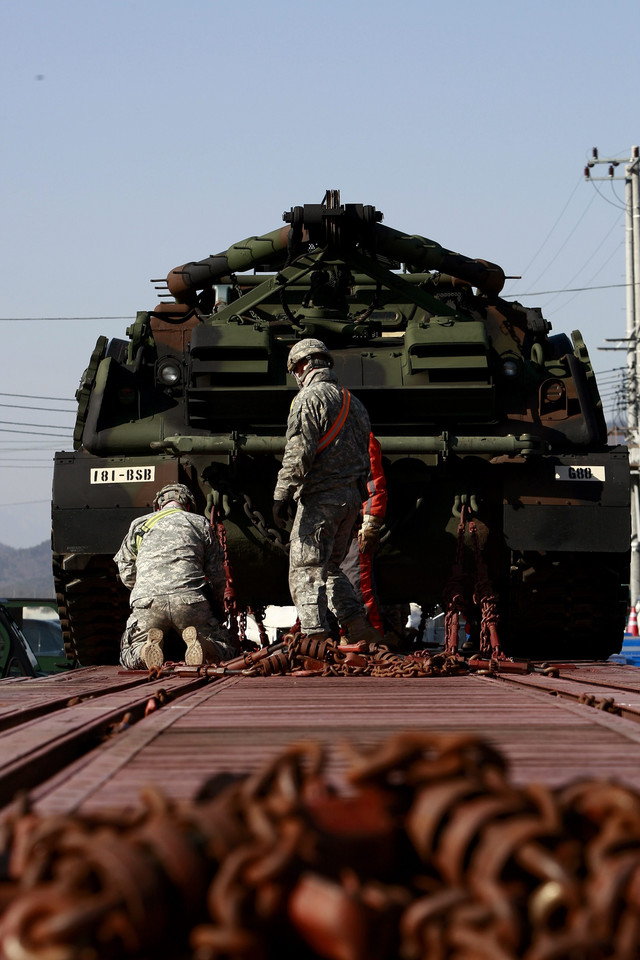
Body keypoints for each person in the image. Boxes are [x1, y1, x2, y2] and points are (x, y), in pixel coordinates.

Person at [272, 338, 381, 645]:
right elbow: (366, 456)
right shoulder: (354, 402)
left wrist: (282, 493)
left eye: (295, 369)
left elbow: (299, 450)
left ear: (303, 366)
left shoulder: (309, 398)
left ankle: (315, 638)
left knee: (305, 569)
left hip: (321, 498)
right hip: (350, 500)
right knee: (328, 567)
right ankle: (357, 626)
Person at [115, 483, 236, 669]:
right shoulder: (200, 523)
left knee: (128, 652)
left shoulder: (138, 525)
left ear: (158, 506)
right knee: (224, 647)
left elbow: (126, 572)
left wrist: (146, 587)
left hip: (148, 602)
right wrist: (217, 608)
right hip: (190, 602)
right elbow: (217, 575)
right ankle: (204, 647)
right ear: (188, 506)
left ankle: (145, 649)